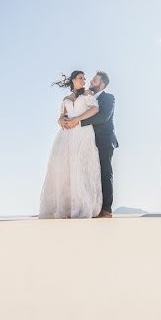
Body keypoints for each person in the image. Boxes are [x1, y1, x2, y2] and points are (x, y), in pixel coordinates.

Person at [38, 71, 103, 219]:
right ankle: (66, 207)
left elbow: (95, 109)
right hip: (66, 136)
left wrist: (77, 119)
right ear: (73, 80)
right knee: (64, 167)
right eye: (80, 78)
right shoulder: (66, 99)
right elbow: (61, 116)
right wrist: (61, 121)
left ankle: (82, 206)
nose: (83, 80)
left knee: (80, 166)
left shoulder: (87, 94)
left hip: (83, 132)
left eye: (84, 78)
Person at [61, 71, 118, 218]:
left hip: (104, 141)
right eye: (91, 79)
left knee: (105, 173)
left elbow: (103, 117)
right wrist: (64, 120)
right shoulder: (86, 97)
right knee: (90, 173)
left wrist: (78, 122)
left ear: (102, 84)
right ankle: (93, 206)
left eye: (94, 80)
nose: (91, 81)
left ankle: (106, 210)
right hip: (86, 141)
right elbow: (73, 111)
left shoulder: (108, 98)